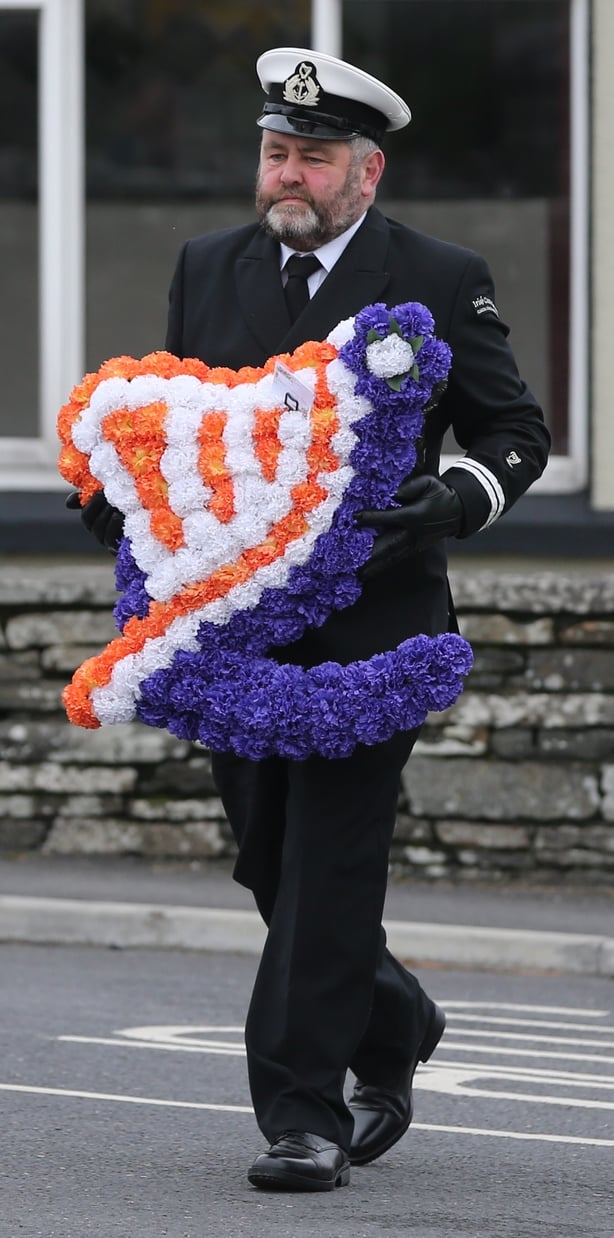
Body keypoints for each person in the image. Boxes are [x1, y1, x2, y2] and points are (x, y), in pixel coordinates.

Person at [69, 47, 550, 1192]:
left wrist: (460, 496)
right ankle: (392, 1015)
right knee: (267, 866)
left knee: (332, 866)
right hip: (234, 630)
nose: (289, 173)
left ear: (364, 173)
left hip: (376, 629)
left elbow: (512, 430)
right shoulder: (206, 265)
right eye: (276, 153)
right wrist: (117, 500)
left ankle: (302, 1113)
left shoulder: (435, 272)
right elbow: (180, 432)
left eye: (314, 157)